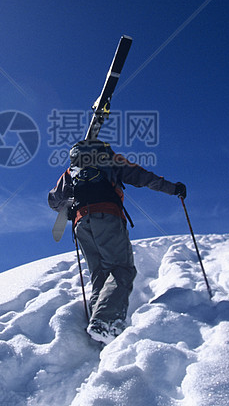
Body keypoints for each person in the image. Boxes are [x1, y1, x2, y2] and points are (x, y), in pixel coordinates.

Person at [48, 139, 186, 344]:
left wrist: (68, 205)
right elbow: (143, 177)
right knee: (122, 269)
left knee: (99, 275)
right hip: (107, 214)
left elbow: (53, 200)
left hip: (81, 224)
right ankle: (104, 322)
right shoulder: (111, 159)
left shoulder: (70, 172)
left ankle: (97, 332)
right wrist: (173, 189)